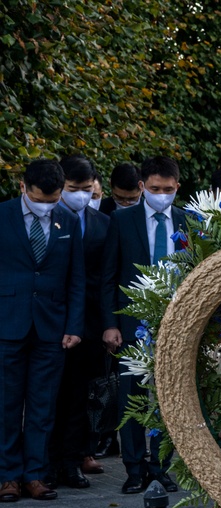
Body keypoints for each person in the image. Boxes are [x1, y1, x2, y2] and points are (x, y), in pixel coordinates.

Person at [0, 159, 85, 503]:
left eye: (53, 199)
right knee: (6, 403)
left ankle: (35, 474)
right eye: (40, 199)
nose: (47, 206)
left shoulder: (69, 218)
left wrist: (74, 325)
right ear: (23, 187)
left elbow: (77, 278)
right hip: (7, 321)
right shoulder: (2, 215)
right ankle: (7, 476)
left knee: (42, 404)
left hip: (52, 327)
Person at [102, 156, 187, 494]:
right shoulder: (121, 221)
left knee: (170, 395)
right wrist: (110, 323)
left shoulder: (187, 221)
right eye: (154, 189)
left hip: (178, 320)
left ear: (177, 187)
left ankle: (161, 466)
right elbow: (108, 276)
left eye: (168, 189)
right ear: (142, 187)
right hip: (132, 320)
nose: (161, 194)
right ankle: (135, 468)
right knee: (132, 396)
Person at [48, 155, 113, 488]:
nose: (82, 195)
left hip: (88, 323)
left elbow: (106, 278)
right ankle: (47, 461)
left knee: (80, 396)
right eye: (75, 189)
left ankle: (72, 460)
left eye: (88, 189)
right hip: (51, 318)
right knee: (48, 396)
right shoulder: (49, 219)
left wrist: (106, 322)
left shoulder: (102, 223)